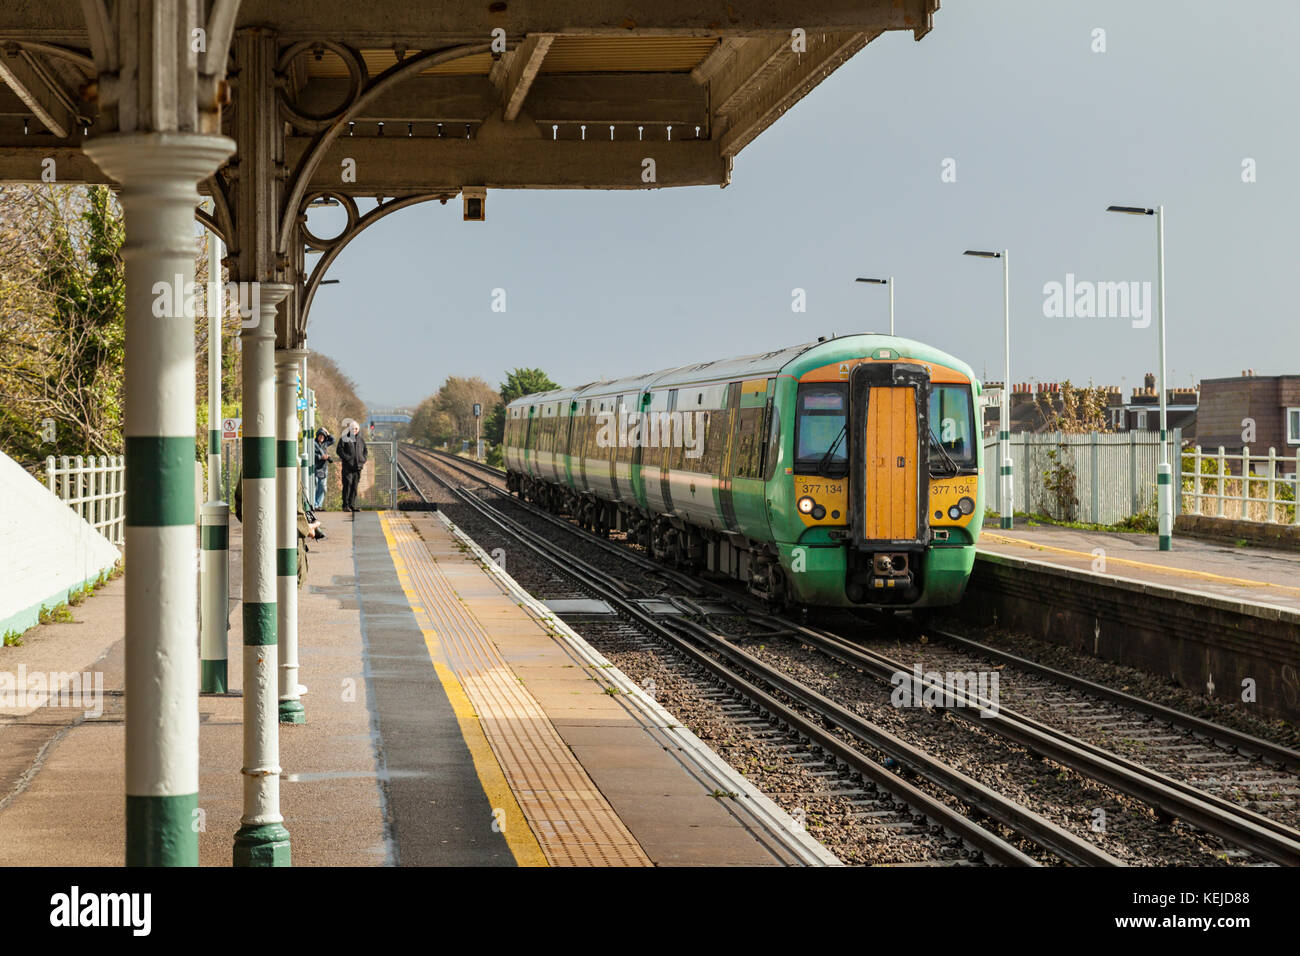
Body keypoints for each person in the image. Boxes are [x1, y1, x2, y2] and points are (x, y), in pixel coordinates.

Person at [336, 418, 368, 513]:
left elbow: (365, 451)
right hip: (348, 468)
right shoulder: (344, 438)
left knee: (354, 486)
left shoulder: (360, 439)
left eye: (356, 429)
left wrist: (363, 459)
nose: (354, 430)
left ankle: (352, 505)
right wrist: (347, 458)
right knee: (347, 485)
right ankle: (345, 505)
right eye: (352, 428)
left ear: (358, 429)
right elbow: (339, 450)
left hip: (358, 468)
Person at [313, 428, 334, 509]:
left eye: (323, 436)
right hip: (315, 468)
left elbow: (333, 440)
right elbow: (312, 454)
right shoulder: (313, 443)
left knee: (323, 487)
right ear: (317, 436)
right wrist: (321, 457)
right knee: (315, 486)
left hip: (324, 468)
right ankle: (314, 504)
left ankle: (318, 505)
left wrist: (327, 432)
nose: (321, 437)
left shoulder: (325, 444)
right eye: (320, 435)